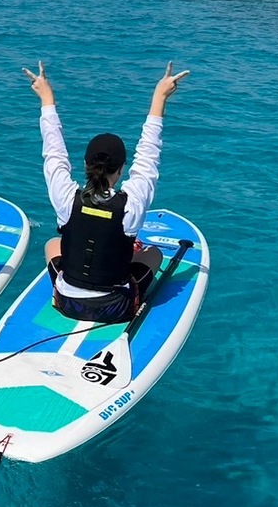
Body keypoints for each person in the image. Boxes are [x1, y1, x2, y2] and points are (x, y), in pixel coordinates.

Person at [22, 59, 190, 323]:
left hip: (67, 303)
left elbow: (53, 152)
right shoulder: (131, 205)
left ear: (85, 165)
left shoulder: (66, 198)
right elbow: (148, 156)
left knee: (53, 244)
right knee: (154, 254)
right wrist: (160, 98)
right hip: (115, 308)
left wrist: (47, 99)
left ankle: (66, 293)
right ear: (121, 170)